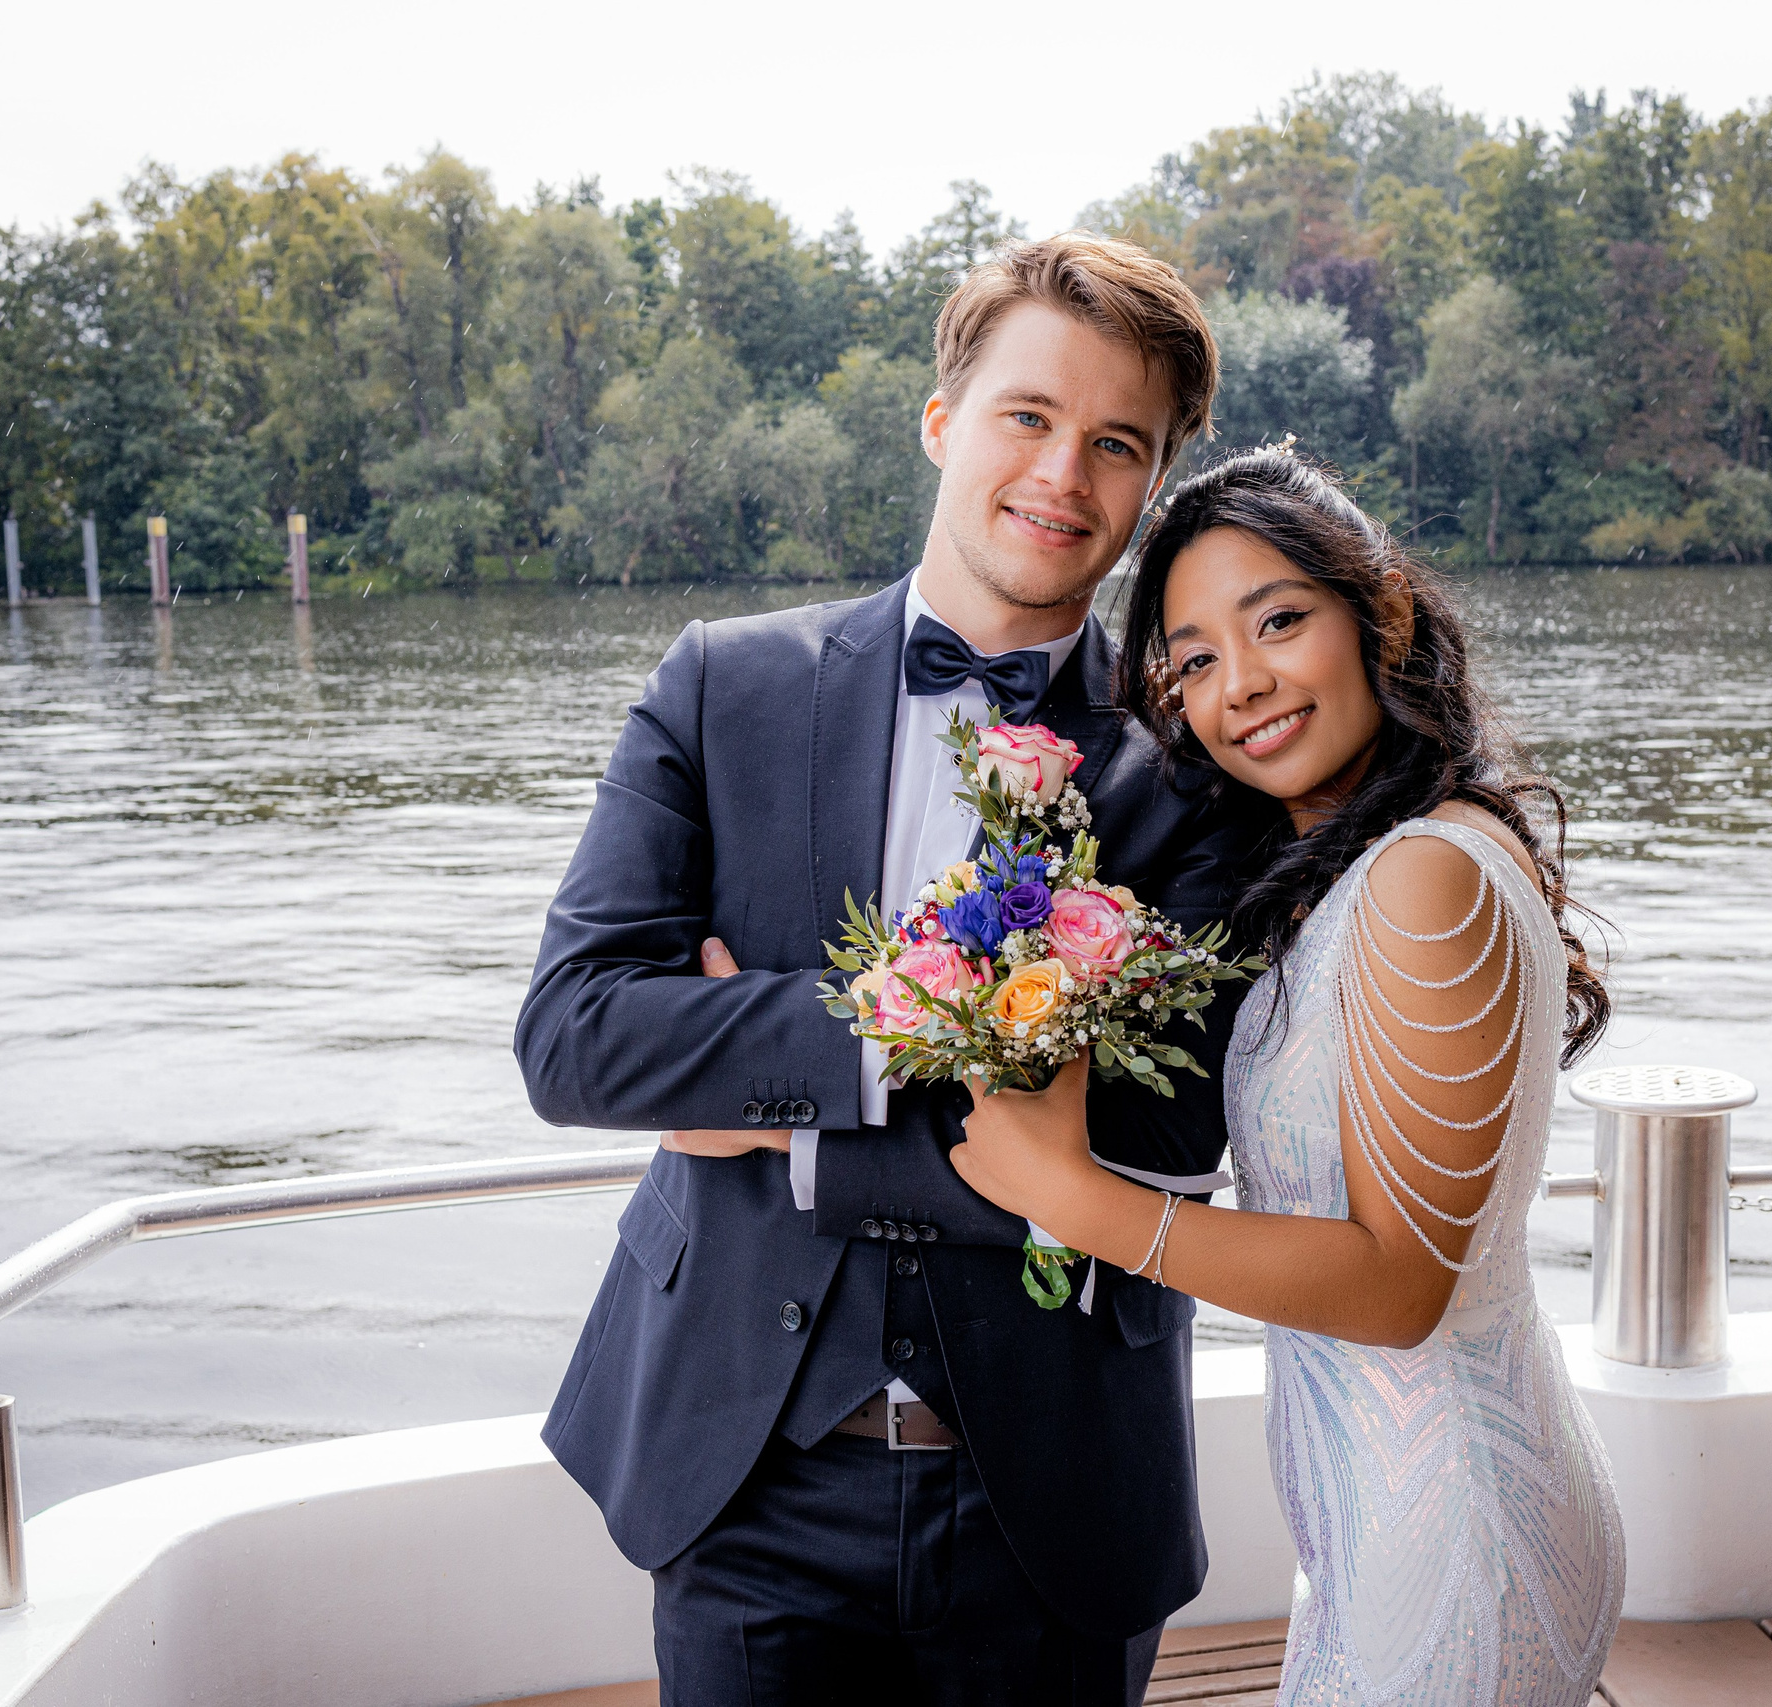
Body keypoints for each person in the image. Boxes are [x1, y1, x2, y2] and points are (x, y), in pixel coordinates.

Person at [517, 234, 1281, 1705]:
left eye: (1116, 443)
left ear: (1151, 483)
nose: (1065, 472)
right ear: (942, 421)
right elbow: (575, 1038)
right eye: (1029, 415)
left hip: (1058, 1484)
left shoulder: (1194, 771)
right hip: (742, 1470)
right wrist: (889, 1051)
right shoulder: (718, 684)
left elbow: (1169, 1137)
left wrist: (768, 1094)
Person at [950, 447, 1626, 1705]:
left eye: (1278, 622)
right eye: (1195, 659)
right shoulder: (1357, 868)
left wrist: (1075, 1199)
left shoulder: (1425, 877)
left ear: (1384, 614)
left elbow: (1395, 1288)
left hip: (1451, 1525)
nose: (1241, 684)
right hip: (1393, 1501)